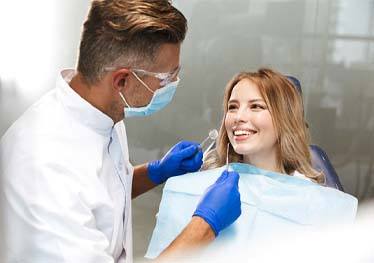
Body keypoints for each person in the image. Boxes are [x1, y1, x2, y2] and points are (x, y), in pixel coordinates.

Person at [0, 1, 241, 262]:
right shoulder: (46, 172)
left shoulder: (105, 112)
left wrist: (155, 172)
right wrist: (205, 225)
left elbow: (102, 193)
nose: (172, 85)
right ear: (122, 80)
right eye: (166, 78)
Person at [203, 68, 324, 183]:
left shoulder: (306, 194)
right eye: (233, 107)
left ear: (284, 118)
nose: (238, 117)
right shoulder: (208, 179)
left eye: (256, 106)